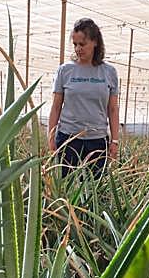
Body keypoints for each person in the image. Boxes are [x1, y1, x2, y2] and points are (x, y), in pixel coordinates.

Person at [48, 18, 120, 177]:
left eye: (82, 44)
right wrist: (51, 137)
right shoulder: (65, 70)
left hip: (97, 140)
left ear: (95, 42)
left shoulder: (109, 72)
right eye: (75, 45)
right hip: (68, 139)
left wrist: (115, 140)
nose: (78, 49)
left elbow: (113, 109)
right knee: (65, 185)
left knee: (96, 188)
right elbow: (56, 106)